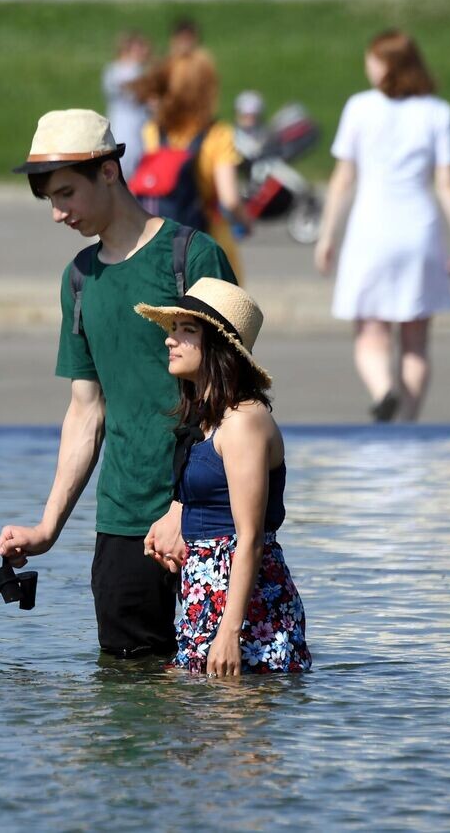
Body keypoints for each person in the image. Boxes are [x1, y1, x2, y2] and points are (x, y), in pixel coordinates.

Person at [0, 109, 236, 659]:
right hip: (123, 523)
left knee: (225, 699)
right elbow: (85, 411)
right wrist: (47, 527)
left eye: (65, 194)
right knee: (127, 706)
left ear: (108, 171)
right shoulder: (79, 279)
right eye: (49, 201)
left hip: (210, 521)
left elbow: (231, 397)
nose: (58, 214)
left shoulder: (193, 257)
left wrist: (182, 510)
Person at [136, 277, 311, 676]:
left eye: (186, 330)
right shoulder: (210, 420)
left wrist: (229, 630)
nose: (170, 340)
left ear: (216, 345)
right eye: (172, 328)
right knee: (197, 728)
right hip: (208, 596)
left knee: (237, 732)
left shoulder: (244, 422)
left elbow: (248, 537)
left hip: (246, 609)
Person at [313, 29, 450, 422]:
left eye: (373, 59)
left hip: (371, 229)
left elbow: (342, 179)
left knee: (371, 333)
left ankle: (383, 389)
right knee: (416, 340)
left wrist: (326, 235)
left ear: (387, 65)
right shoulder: (437, 112)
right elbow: (447, 183)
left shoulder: (360, 107)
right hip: (419, 230)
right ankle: (408, 420)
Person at [131, 50, 249, 280]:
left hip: (160, 250)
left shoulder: (152, 132)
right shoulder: (218, 135)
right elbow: (230, 199)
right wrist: (245, 220)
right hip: (207, 244)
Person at [101, 30, 151, 178]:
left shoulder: (141, 72)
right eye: (140, 48)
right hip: (122, 133)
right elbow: (123, 85)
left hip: (140, 135)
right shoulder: (116, 70)